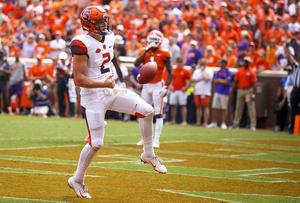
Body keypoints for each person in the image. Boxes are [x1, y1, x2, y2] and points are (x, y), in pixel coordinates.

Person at [67, 6, 167, 199]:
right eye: (100, 22)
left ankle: (148, 154)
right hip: (93, 96)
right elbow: (78, 79)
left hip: (112, 89)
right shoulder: (80, 43)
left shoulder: (110, 36)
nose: (105, 24)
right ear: (89, 26)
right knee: (96, 143)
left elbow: (112, 61)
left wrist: (120, 78)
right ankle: (77, 180)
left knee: (147, 110)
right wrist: (101, 83)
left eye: (105, 20)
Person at [134, 30, 173, 148]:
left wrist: (166, 86)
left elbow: (171, 72)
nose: (153, 43)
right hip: (146, 86)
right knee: (142, 113)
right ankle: (143, 138)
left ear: (160, 41)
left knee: (158, 113)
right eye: (151, 40)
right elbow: (136, 63)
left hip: (158, 85)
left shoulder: (165, 53)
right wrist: (146, 50)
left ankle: (156, 140)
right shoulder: (144, 51)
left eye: (155, 41)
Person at [229, 57, 257, 131]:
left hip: (248, 90)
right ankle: (236, 124)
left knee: (251, 108)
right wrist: (232, 91)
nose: (246, 63)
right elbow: (235, 82)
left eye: (247, 62)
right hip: (240, 90)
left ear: (249, 63)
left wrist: (253, 94)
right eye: (245, 62)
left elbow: (254, 84)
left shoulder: (251, 71)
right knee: (238, 108)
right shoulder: (239, 71)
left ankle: (253, 125)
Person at [207, 59, 232, 129]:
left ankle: (223, 123)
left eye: (221, 63)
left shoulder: (228, 72)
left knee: (224, 108)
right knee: (214, 107)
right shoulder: (219, 71)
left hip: (225, 92)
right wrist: (221, 80)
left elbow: (226, 82)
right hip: (217, 91)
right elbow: (215, 80)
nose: (220, 64)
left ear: (225, 63)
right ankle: (214, 122)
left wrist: (219, 80)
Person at [168, 57, 191, 125]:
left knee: (183, 105)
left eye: (180, 61)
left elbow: (189, 80)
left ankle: (184, 121)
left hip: (182, 90)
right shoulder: (173, 70)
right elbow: (171, 79)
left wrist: (185, 87)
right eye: (178, 62)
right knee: (173, 105)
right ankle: (173, 120)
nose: (179, 63)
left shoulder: (185, 71)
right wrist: (171, 86)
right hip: (174, 90)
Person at [191, 58, 214, 126]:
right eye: (201, 64)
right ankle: (198, 122)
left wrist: (202, 73)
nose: (202, 66)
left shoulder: (209, 71)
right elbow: (194, 80)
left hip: (205, 91)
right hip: (197, 91)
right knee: (198, 107)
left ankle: (205, 122)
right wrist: (202, 78)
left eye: (203, 64)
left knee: (205, 106)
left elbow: (207, 79)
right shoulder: (196, 71)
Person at [284, 40, 300, 134]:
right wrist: (287, 47)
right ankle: (291, 128)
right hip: (295, 90)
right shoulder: (296, 66)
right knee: (292, 109)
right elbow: (290, 57)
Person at [7, 49, 26, 115]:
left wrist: (23, 82)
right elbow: (10, 74)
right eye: (16, 55)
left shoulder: (22, 63)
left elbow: (25, 73)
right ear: (14, 55)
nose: (17, 56)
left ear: (19, 55)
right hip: (12, 81)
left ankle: (17, 109)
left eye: (18, 55)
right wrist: (8, 82)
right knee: (9, 95)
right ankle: (9, 108)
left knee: (19, 95)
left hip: (19, 81)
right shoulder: (12, 64)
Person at [0, 49, 11, 114]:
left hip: (3, 80)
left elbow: (10, 72)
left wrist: (3, 70)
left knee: (4, 95)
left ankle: (5, 109)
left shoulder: (6, 63)